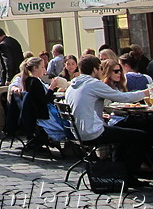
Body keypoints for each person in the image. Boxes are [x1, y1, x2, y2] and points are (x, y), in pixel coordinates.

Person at [64, 55, 152, 188]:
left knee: (127, 128)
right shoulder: (93, 84)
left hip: (78, 133)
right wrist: (145, 93)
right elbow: (120, 97)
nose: (101, 71)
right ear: (94, 69)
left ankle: (122, 171)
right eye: (100, 68)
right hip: (93, 132)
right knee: (140, 136)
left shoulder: (73, 85)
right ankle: (129, 175)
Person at [20, 57, 61, 147]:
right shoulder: (34, 82)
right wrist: (52, 88)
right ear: (35, 68)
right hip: (42, 117)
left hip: (36, 115)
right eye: (42, 67)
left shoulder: (29, 80)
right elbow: (43, 101)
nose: (44, 70)